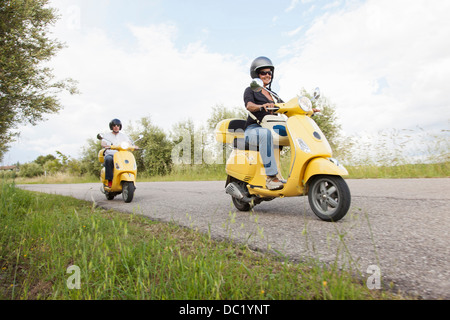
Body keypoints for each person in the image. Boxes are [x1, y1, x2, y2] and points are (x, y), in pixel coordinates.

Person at [243, 56, 284, 190]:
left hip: (272, 128)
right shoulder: (251, 90)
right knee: (265, 133)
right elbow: (249, 106)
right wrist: (261, 106)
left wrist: (306, 109)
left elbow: (286, 106)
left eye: (269, 73)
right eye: (263, 73)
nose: (267, 75)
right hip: (254, 129)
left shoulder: (274, 95)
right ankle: (271, 178)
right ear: (257, 75)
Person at [101, 118, 133, 188]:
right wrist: (105, 145)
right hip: (111, 154)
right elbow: (103, 143)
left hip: (121, 155)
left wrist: (132, 146)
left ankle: (131, 180)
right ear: (111, 126)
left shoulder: (123, 136)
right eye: (114, 125)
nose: (116, 127)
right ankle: (110, 180)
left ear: (120, 126)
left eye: (118, 125)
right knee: (108, 159)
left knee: (129, 160)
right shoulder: (107, 136)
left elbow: (129, 142)